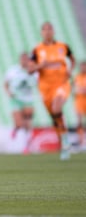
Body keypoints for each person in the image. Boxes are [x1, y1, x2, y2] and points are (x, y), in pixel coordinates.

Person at [28, 22, 76, 160]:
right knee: (54, 116)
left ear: (53, 32)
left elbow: (72, 60)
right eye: (45, 30)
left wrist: (70, 70)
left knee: (57, 107)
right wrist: (39, 66)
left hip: (62, 84)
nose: (48, 32)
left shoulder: (63, 47)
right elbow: (30, 70)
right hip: (45, 89)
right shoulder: (37, 50)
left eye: (50, 29)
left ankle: (66, 139)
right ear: (41, 33)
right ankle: (64, 141)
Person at [4, 53, 38, 152]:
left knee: (28, 122)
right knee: (19, 123)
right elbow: (6, 84)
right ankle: (16, 129)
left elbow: (37, 83)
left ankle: (26, 146)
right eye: (22, 59)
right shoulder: (13, 71)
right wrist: (9, 92)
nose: (24, 61)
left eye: (26, 59)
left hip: (28, 100)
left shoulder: (33, 72)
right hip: (16, 99)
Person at [74, 61, 86, 146]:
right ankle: (81, 141)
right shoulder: (77, 77)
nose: (83, 68)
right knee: (79, 122)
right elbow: (74, 90)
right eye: (82, 66)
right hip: (79, 102)